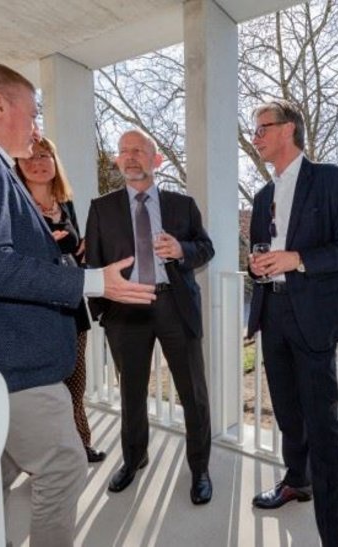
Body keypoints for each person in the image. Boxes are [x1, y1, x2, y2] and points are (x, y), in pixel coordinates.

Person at [0, 59, 156, 547]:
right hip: (5, 358)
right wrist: (90, 281)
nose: (36, 125)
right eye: (32, 111)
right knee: (63, 466)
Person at [246, 99, 338, 547]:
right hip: (273, 314)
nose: (255, 137)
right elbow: (262, 251)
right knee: (287, 414)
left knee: (322, 427)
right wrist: (257, 264)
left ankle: (333, 534)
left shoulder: (332, 179)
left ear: (288, 129)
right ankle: (297, 480)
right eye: (254, 130)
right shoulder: (262, 196)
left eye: (262, 128)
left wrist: (297, 259)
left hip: (314, 317)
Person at [86, 128, 215, 505]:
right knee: (131, 392)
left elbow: (205, 248)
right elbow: (94, 261)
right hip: (126, 310)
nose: (130, 157)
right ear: (117, 160)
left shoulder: (182, 205)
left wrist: (182, 249)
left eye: (139, 150)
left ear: (155, 159)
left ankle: (200, 468)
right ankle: (133, 458)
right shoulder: (101, 208)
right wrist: (104, 313)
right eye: (124, 151)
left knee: (193, 393)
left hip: (174, 305)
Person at [15, 137, 105, 464]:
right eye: (29, 157)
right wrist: (42, 247)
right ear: (17, 165)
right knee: (42, 391)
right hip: (35, 313)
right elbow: (11, 261)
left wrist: (86, 248)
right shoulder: (15, 207)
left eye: (44, 155)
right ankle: (42, 457)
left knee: (75, 385)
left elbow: (76, 253)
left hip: (71, 309)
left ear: (54, 162)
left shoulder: (65, 205)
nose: (37, 162)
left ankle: (81, 446)